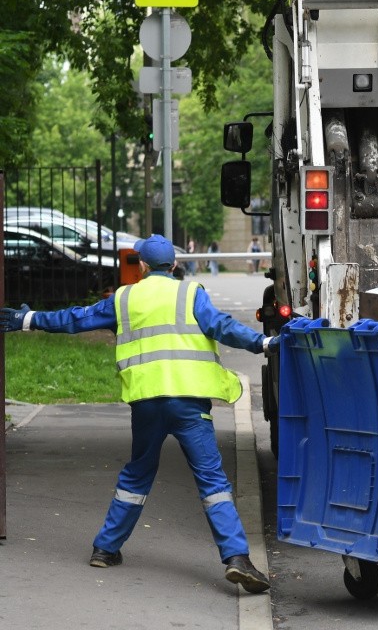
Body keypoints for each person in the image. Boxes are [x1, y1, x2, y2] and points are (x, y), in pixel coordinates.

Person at [0, 234, 278, 592]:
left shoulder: (124, 298)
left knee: (137, 475)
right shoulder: (191, 294)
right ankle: (237, 559)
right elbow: (224, 328)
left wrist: (29, 319)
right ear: (174, 264)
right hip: (189, 403)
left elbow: (75, 319)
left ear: (142, 266)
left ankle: (106, 547)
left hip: (147, 403)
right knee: (212, 482)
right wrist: (263, 342)